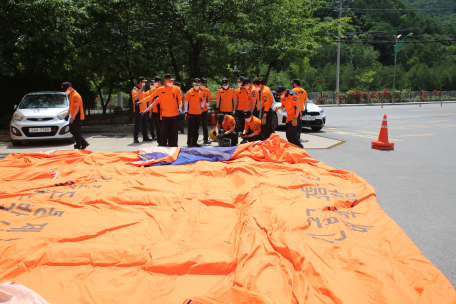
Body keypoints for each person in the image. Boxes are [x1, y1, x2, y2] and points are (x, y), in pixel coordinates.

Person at [140, 73, 181, 147]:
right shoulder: (160, 90)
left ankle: (174, 146)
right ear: (165, 80)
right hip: (165, 115)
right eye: (169, 80)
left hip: (175, 115)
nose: (171, 82)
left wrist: (180, 108)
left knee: (174, 132)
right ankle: (163, 146)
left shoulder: (176, 89)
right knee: (164, 132)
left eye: (172, 81)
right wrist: (142, 103)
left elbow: (180, 100)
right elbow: (151, 98)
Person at [62, 82, 89, 149]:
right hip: (73, 117)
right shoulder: (71, 95)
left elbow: (77, 107)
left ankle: (78, 145)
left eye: (66, 89)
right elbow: (71, 106)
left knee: (76, 131)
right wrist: (67, 115)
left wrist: (73, 117)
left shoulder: (75, 96)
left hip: (78, 117)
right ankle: (83, 142)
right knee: (71, 130)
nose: (65, 91)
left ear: (70, 87)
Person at [184, 78, 205, 147]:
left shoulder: (201, 93)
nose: (196, 85)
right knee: (191, 128)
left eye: (198, 84)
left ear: (200, 85)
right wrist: (186, 112)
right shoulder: (189, 92)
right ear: (193, 84)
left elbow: (203, 101)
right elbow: (186, 102)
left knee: (196, 129)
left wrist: (201, 107)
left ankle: (195, 142)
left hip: (198, 113)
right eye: (195, 84)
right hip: (191, 113)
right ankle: (189, 142)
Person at [131, 77, 153, 143]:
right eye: (143, 81)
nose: (144, 83)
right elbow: (135, 98)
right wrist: (140, 91)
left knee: (145, 124)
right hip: (138, 109)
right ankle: (135, 138)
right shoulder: (135, 89)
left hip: (144, 109)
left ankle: (145, 137)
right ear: (140, 82)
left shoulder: (142, 89)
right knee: (137, 124)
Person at [147, 76, 163, 143]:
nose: (154, 83)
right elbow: (150, 101)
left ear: (159, 82)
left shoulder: (163, 89)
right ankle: (159, 141)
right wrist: (150, 111)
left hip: (163, 112)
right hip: (155, 111)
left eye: (155, 82)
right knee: (157, 127)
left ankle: (164, 140)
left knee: (163, 127)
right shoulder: (153, 90)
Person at [200, 78, 212, 144]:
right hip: (196, 111)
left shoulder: (207, 90)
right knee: (195, 126)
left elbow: (211, 97)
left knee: (205, 125)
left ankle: (206, 139)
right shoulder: (196, 90)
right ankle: (194, 139)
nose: (203, 85)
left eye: (204, 84)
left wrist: (208, 103)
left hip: (204, 110)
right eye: (202, 84)